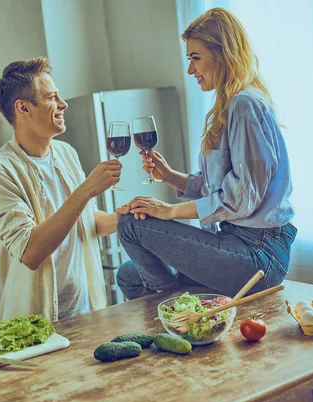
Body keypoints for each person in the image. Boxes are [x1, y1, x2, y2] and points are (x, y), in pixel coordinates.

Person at [116, 8, 297, 300]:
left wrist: (170, 211)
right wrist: (172, 178)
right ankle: (174, 300)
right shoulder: (229, 106)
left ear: (222, 54)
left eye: (195, 58)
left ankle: (171, 302)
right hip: (234, 241)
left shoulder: (244, 105)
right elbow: (222, 187)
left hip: (259, 256)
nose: (190, 70)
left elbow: (241, 198)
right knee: (127, 274)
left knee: (130, 227)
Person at [0, 57, 127, 321]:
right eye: (52, 98)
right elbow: (31, 252)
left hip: (86, 314)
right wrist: (86, 190)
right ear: (23, 108)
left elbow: (88, 222)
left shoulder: (66, 153)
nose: (63, 104)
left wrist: (128, 215)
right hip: (35, 325)